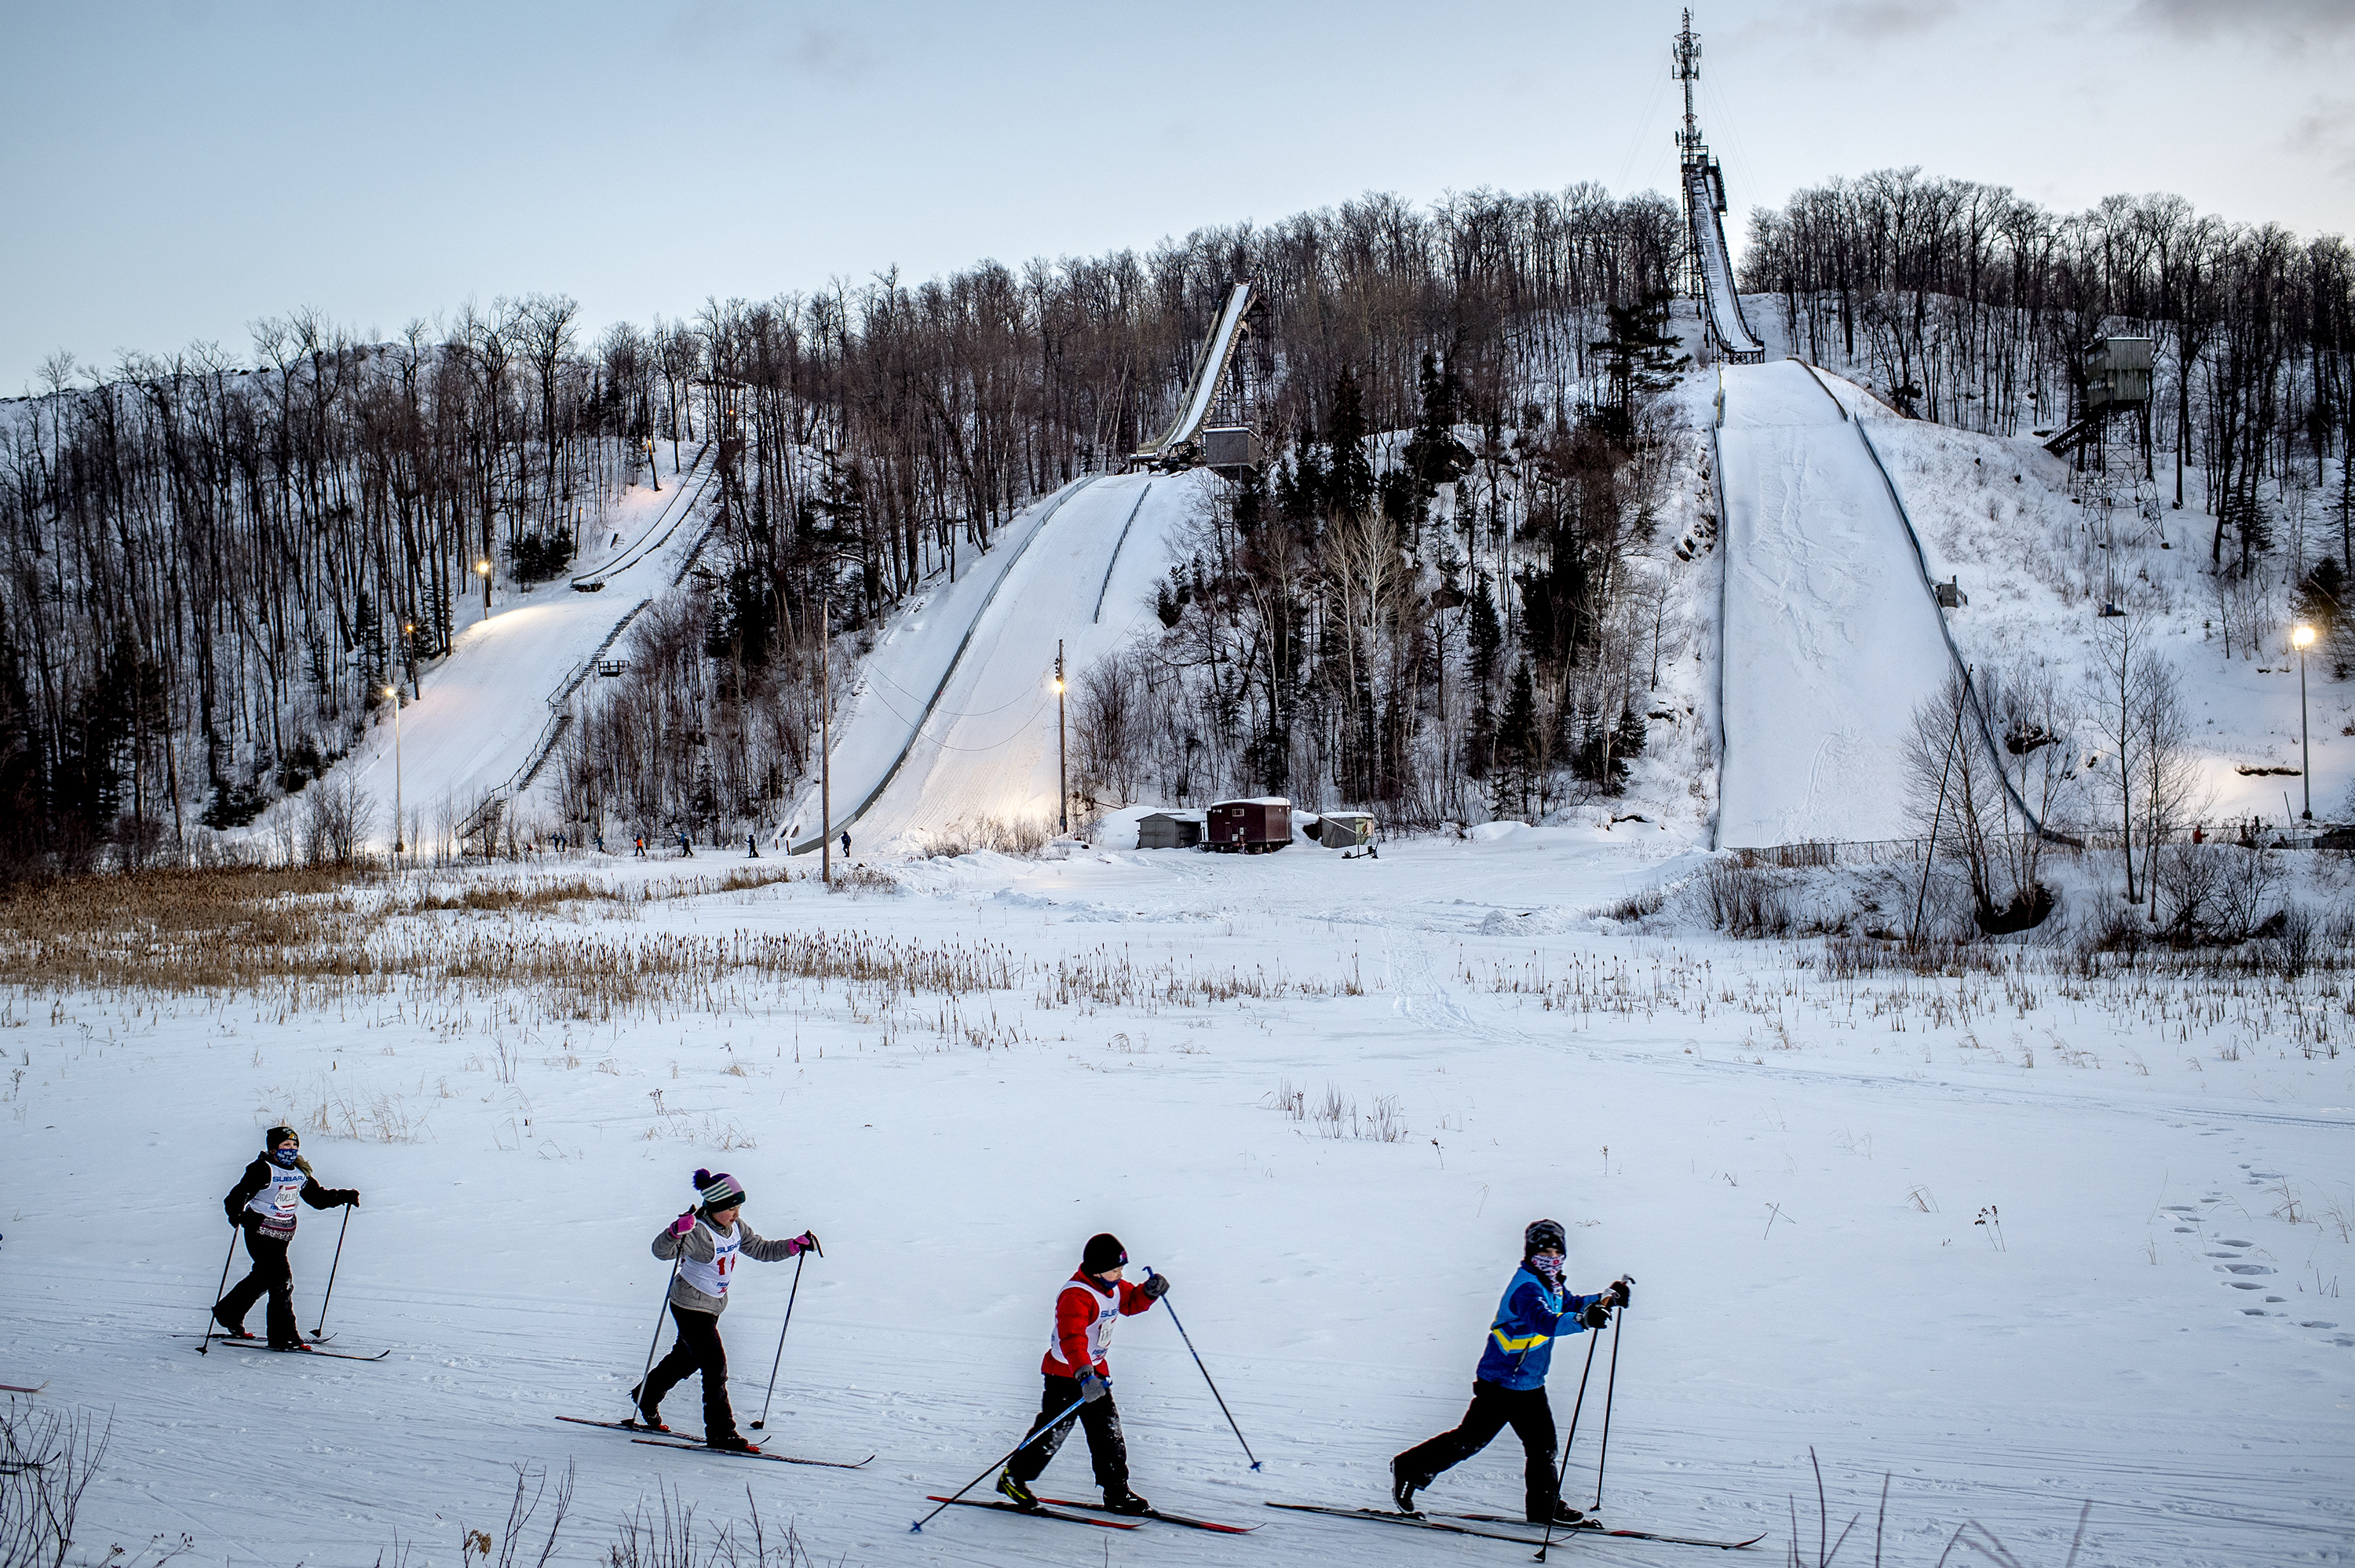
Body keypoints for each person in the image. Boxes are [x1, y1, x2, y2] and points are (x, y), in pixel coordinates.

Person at [1391, 1220, 1628, 1525]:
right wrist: (1584, 1321)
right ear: (1531, 1253)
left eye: (1557, 1250)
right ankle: (1409, 1468)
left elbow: (1571, 1303)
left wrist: (1607, 1297)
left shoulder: (1550, 1284)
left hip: (1528, 1383)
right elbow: (1545, 1322)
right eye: (1544, 1250)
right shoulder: (1527, 1288)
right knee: (1470, 1441)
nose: (1551, 1256)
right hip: (1501, 1383)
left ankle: (1545, 1509)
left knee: (1543, 1448)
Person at [635, 1170, 817, 1453]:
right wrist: (674, 1231)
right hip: (689, 1305)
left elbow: (760, 1248)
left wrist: (792, 1246)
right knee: (714, 1367)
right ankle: (722, 1433)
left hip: (713, 1304)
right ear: (715, 1207)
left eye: (738, 1207)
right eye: (731, 1208)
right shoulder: (697, 1232)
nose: (735, 1213)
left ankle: (645, 1397)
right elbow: (662, 1251)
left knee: (686, 1359)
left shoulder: (736, 1228)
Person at [996, 1233, 1170, 1515]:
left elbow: (1128, 1304)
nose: (1120, 1274)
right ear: (1096, 1269)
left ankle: (1116, 1492)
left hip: (1095, 1376)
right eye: (1115, 1269)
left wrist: (1148, 1292)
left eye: (1121, 1269)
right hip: (1066, 1375)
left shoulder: (1112, 1287)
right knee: (1053, 1431)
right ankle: (1013, 1478)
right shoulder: (1076, 1296)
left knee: (1107, 1432)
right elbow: (1072, 1339)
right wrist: (1084, 1375)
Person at [215, 1127, 358, 1350]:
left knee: (263, 1277)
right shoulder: (263, 1170)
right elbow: (237, 1195)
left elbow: (316, 1198)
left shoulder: (299, 1172)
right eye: (285, 1146)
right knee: (282, 1283)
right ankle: (284, 1336)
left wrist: (342, 1196)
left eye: (294, 1146)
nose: (290, 1150)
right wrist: (236, 1214)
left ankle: (228, 1314)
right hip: (259, 1231)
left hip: (283, 1234)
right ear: (273, 1149)